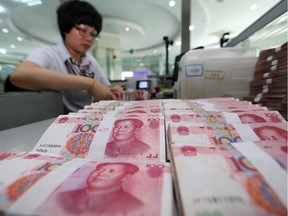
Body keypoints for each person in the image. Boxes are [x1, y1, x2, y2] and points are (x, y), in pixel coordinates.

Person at [10, 0, 121, 113]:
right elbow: (19, 75)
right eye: (82, 30)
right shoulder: (49, 53)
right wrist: (89, 84)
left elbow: (105, 86)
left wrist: (113, 89)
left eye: (93, 34)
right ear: (65, 28)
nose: (89, 38)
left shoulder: (89, 60)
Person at [58, 162, 143, 214]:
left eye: (111, 171)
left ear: (125, 177)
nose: (101, 174)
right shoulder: (63, 197)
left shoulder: (132, 205)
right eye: (99, 170)